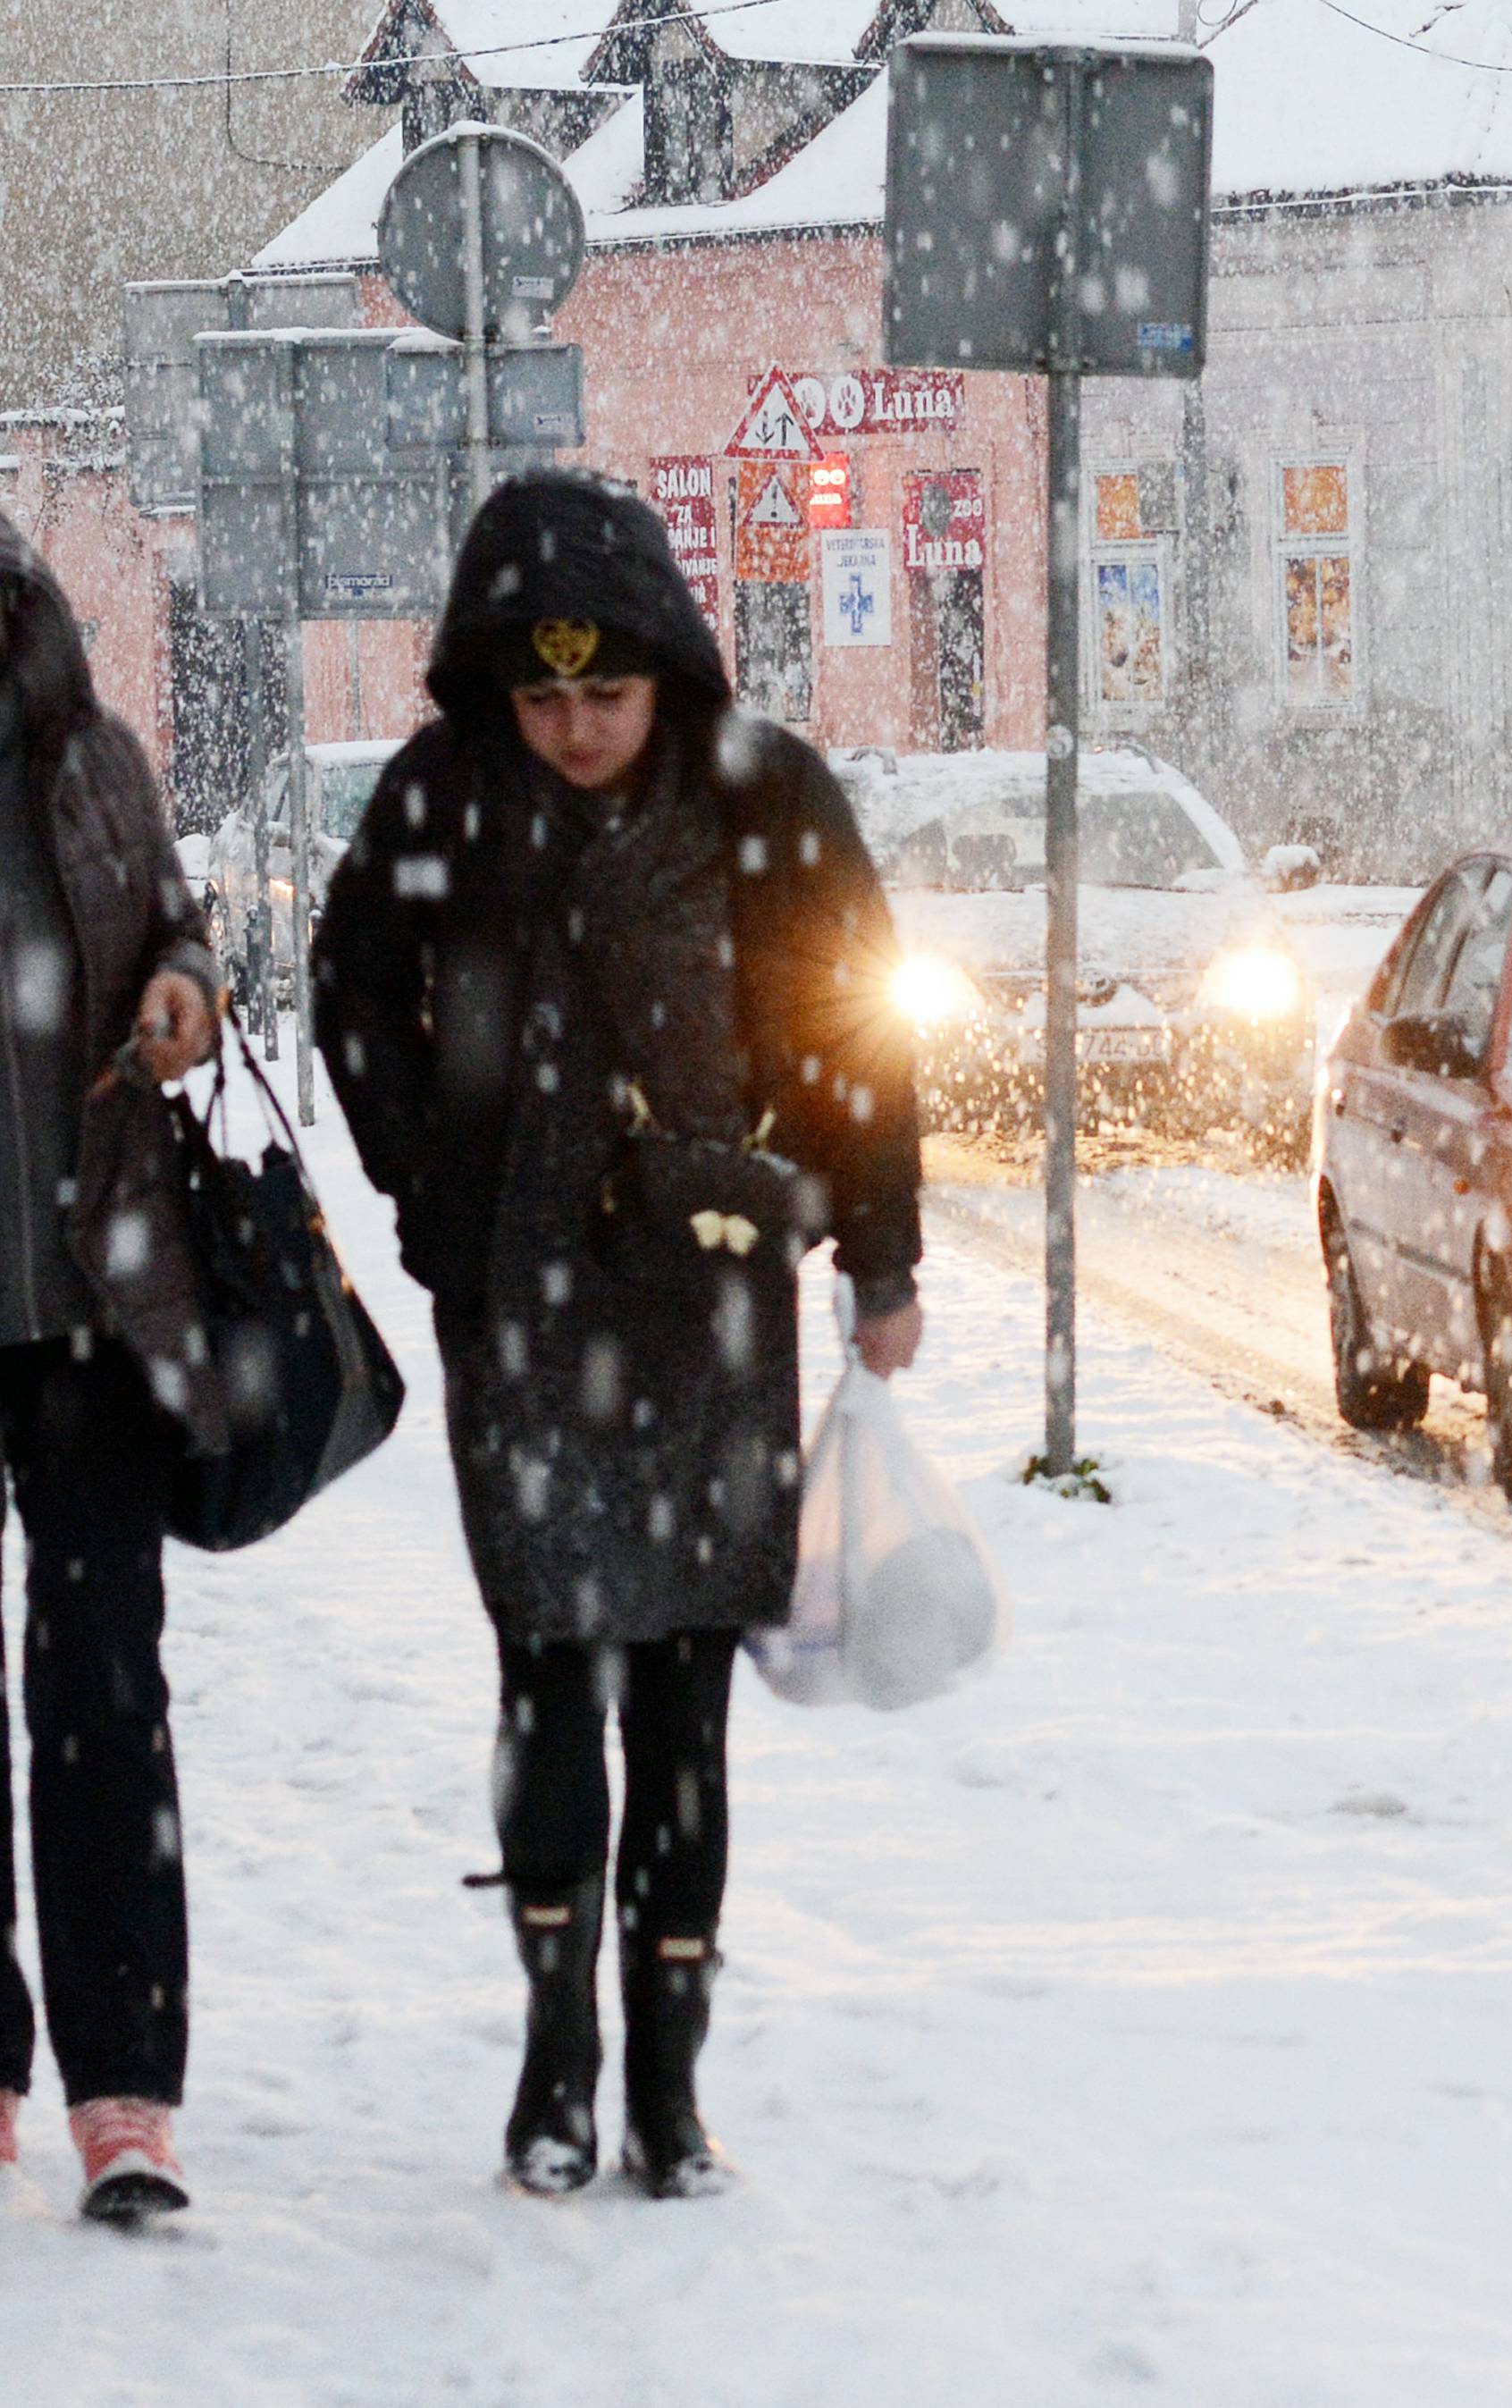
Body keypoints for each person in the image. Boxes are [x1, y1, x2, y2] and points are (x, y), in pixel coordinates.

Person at [315, 469, 922, 2199]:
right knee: (543, 1680)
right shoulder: (445, 795)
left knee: (681, 1703)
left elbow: (861, 1026)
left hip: (710, 1301)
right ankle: (554, 2060)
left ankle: (669, 2076)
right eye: (544, 695)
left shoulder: (762, 791)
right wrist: (430, 1186)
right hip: (519, 1310)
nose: (576, 727)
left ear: (665, 666)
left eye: (607, 690)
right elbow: (354, 985)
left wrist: (871, 1250)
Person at [0, 514, 219, 2219]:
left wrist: (183, 987)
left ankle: (124, 2092)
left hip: (88, 1305)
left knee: (104, 1698)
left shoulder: (93, 768)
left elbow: (177, 927)